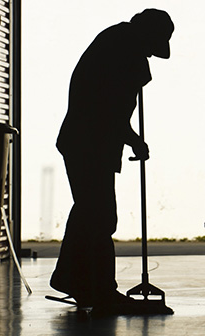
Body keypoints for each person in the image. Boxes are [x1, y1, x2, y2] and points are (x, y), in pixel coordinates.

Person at [50, 8, 174, 312]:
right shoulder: (124, 52)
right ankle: (101, 291)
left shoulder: (117, 41)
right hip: (89, 143)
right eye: (152, 48)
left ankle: (72, 279)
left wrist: (132, 139)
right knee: (100, 216)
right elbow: (109, 109)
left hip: (86, 142)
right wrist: (135, 141)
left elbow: (110, 109)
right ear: (147, 36)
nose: (151, 56)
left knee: (90, 213)